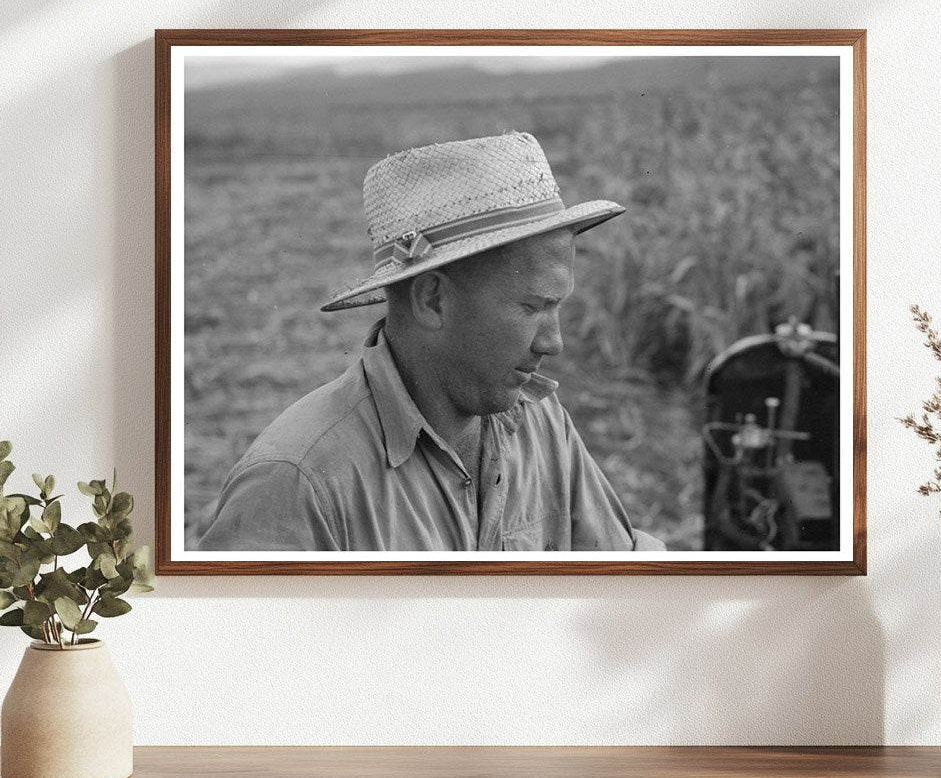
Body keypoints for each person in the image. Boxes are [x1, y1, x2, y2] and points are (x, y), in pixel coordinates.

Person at [198, 131, 664, 552]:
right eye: (532, 307)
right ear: (433, 300)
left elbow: (625, 585)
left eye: (558, 306)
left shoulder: (541, 423)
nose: (554, 342)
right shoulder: (297, 482)